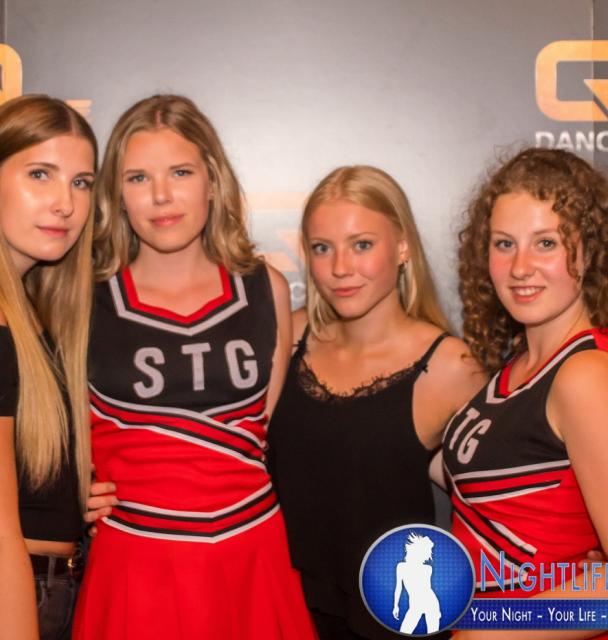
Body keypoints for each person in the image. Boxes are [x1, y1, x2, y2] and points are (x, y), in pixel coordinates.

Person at [73, 95, 315, 639]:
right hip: (134, 565)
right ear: (116, 194)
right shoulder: (84, 300)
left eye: (180, 172)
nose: (161, 195)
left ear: (212, 180)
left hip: (251, 558)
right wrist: (67, 488)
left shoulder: (266, 289)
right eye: (138, 178)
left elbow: (260, 435)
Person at [266, 165, 486, 639]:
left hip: (392, 622)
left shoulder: (451, 366)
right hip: (287, 612)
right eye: (322, 248)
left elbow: (505, 497)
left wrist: (576, 562)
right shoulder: (289, 335)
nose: (340, 267)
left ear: (402, 246)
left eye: (362, 245)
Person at [444, 147, 608, 640]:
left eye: (546, 243)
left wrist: (488, 630)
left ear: (588, 251)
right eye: (504, 244)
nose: (519, 267)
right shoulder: (516, 369)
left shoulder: (585, 375)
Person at [0, 95, 96, 639]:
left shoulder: (28, 311)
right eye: (40, 174)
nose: (65, 203)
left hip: (47, 593)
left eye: (81, 182)